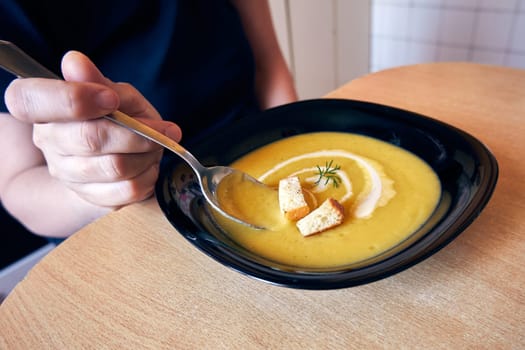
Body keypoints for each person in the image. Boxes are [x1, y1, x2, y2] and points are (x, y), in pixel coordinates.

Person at [0, 0, 298, 239]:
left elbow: (269, 68)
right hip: (125, 231)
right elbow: (17, 184)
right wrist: (91, 189)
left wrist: (294, 153)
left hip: (257, 160)